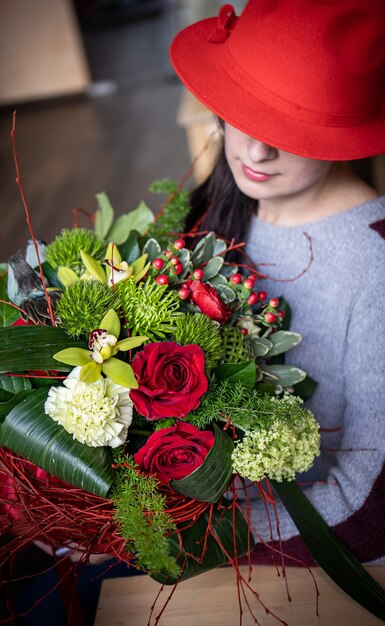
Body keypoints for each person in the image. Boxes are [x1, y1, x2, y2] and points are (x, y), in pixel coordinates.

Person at [170, 0, 385, 565]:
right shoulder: (219, 206)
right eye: (248, 114)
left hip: (311, 550)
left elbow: (371, 508)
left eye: (292, 128)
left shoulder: (376, 263)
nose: (258, 150)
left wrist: (188, 536)